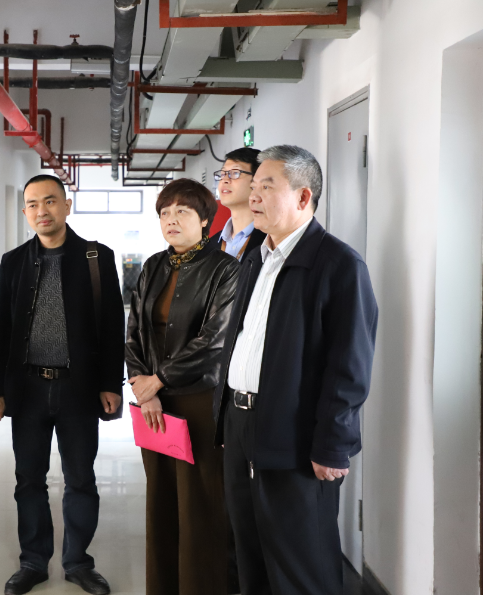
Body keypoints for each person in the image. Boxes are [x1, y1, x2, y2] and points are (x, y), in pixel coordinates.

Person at [213, 145, 378, 595]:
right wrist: (226, 417)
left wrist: (333, 445)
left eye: (267, 186)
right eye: (254, 185)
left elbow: (349, 368)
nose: (253, 195)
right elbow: (240, 341)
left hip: (296, 437)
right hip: (242, 427)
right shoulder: (255, 258)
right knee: (249, 556)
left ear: (304, 197)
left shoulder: (338, 265)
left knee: (300, 563)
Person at [0, 174, 125, 595]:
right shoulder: (13, 261)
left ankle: (78, 562)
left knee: (80, 478)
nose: (41, 211)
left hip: (78, 388)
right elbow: (1, 327)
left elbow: (112, 325)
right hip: (28, 388)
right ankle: (33, 561)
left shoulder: (96, 258)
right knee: (29, 479)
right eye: (32, 204)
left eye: (49, 201)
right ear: (25, 212)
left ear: (66, 205)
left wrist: (111, 383)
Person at [125, 178, 240, 595]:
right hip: (154, 404)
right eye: (164, 213)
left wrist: (159, 379)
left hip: (199, 402)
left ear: (205, 219)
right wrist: (145, 388)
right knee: (160, 502)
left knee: (200, 506)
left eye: (182, 212)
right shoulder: (154, 266)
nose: (171, 220)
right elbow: (134, 330)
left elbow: (214, 341)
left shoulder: (226, 269)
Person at [209, 148, 267, 261]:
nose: (225, 179)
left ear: (257, 181)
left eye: (235, 173)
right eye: (223, 174)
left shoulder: (270, 240)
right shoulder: (211, 245)